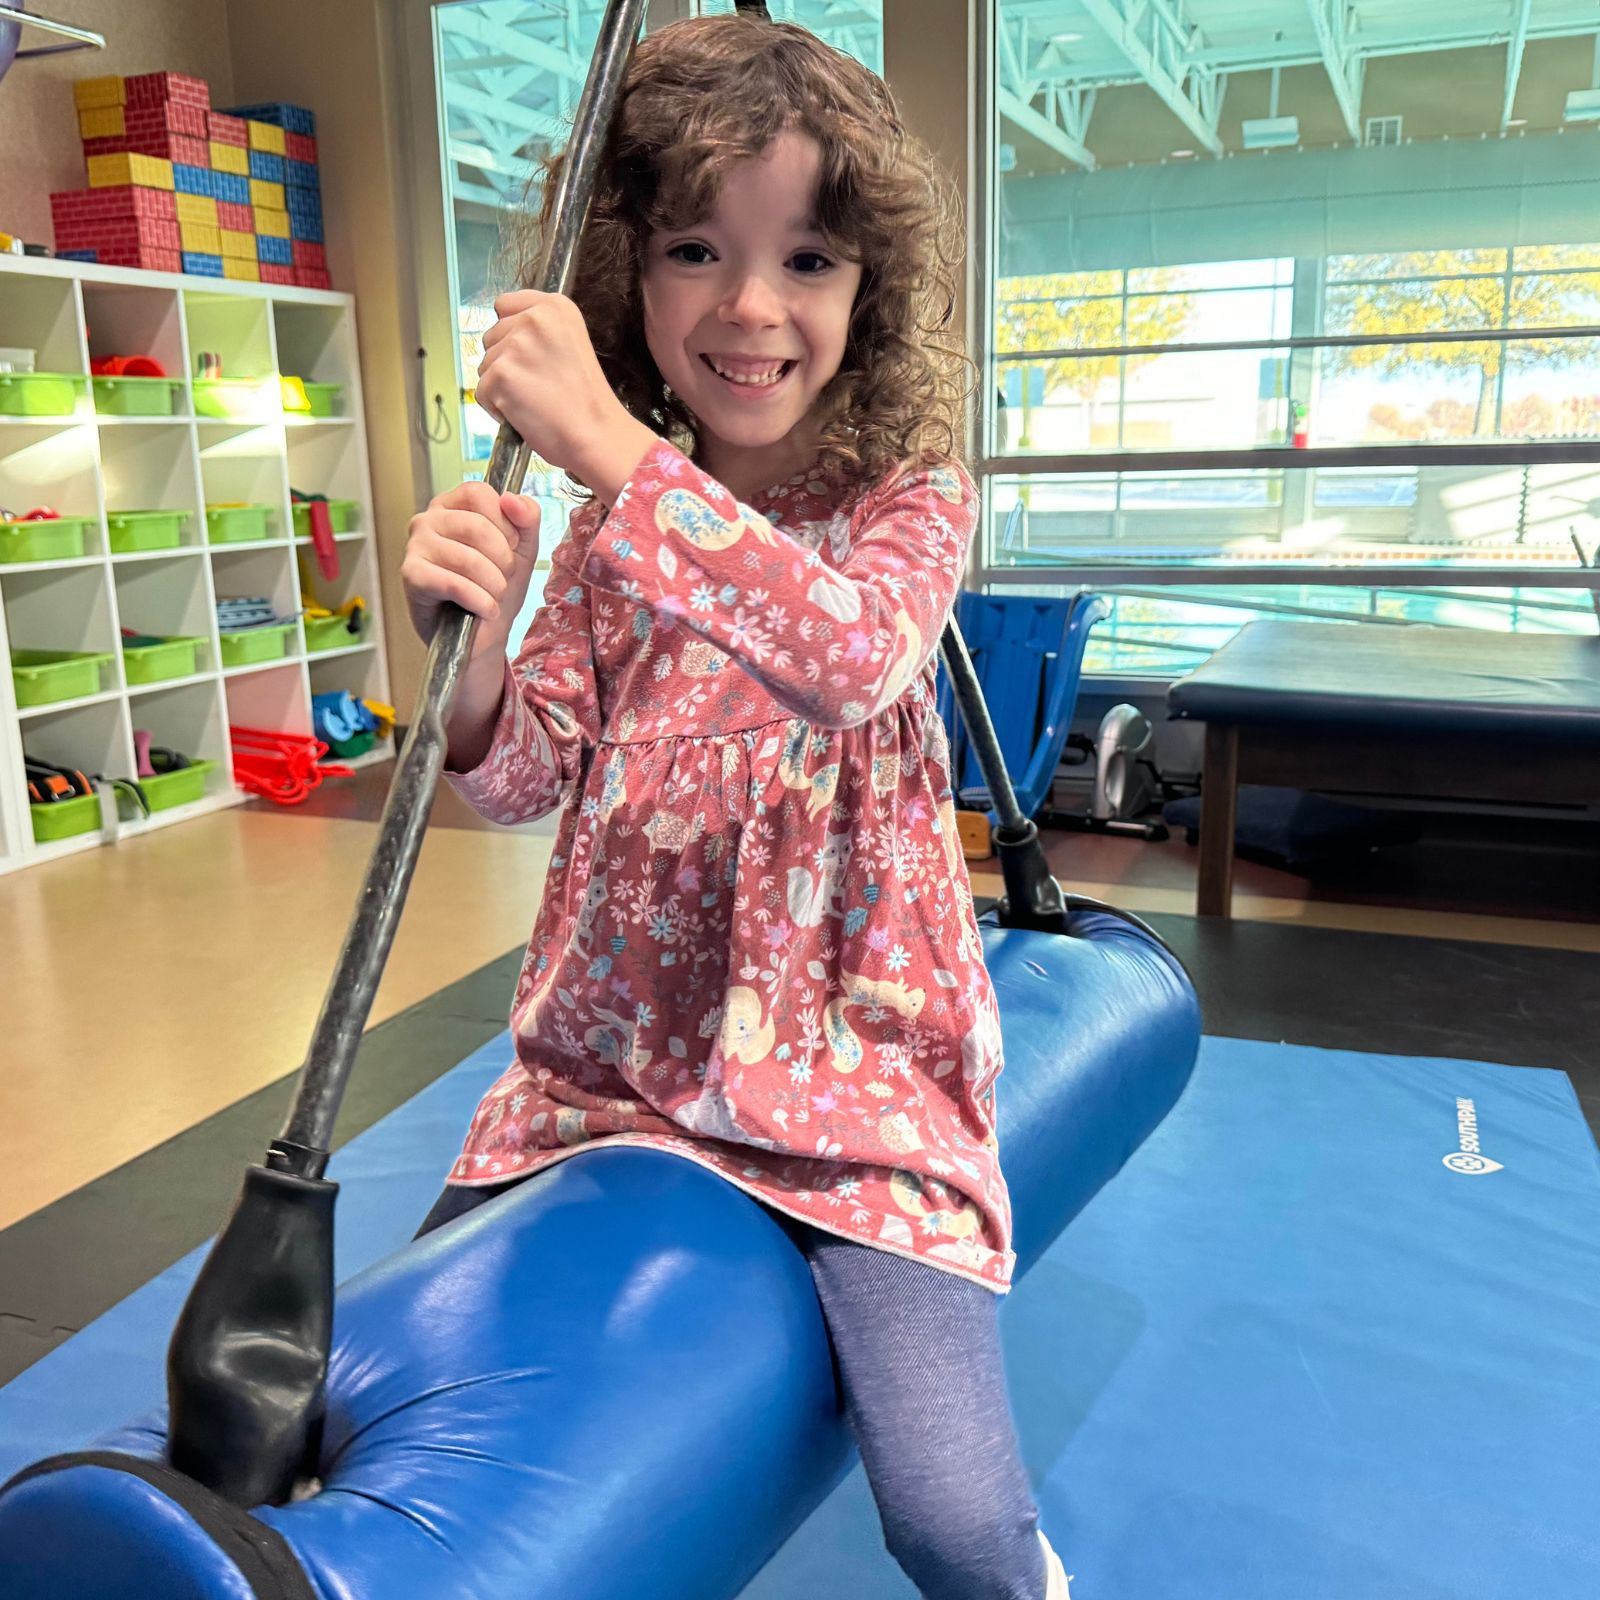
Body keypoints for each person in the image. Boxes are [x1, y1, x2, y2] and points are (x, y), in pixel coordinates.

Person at [399, 15, 1071, 1600]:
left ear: (870, 288)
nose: (751, 308)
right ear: (631, 276)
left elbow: (845, 660)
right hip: (607, 1076)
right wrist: (478, 656)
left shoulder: (906, 499)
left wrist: (615, 457)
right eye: (696, 248)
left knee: (960, 1523)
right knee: (391, 1390)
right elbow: (515, 778)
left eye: (809, 261)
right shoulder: (612, 526)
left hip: (854, 1101)